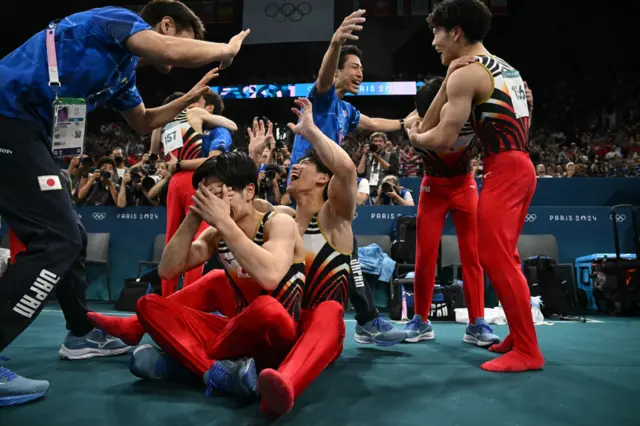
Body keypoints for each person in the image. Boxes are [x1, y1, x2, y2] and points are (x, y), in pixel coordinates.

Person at [0, 0, 249, 405]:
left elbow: (143, 120)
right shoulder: (114, 21)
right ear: (165, 24)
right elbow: (168, 51)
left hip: (29, 135)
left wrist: (187, 98)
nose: (186, 52)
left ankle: (81, 333)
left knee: (73, 237)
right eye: (189, 39)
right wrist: (227, 49)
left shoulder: (123, 73)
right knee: (58, 239)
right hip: (8, 121)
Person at [90, 152, 305, 400]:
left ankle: (181, 366)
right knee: (148, 305)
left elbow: (270, 276)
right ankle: (217, 372)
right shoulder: (215, 234)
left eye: (220, 192)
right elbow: (168, 270)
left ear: (248, 191)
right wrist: (194, 216)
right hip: (234, 334)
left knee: (265, 308)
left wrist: (224, 223)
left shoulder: (278, 223)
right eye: (206, 195)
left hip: (279, 336)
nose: (213, 202)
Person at [407, 0, 544, 372]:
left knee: (495, 258)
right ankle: (518, 334)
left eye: (436, 32)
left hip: (504, 171)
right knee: (507, 257)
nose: (434, 41)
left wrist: (414, 137)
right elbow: (524, 111)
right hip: (520, 166)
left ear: (455, 32)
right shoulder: (508, 69)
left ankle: (529, 352)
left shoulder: (467, 74)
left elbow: (443, 138)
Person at [289, 9, 416, 345]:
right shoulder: (323, 99)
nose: (361, 73)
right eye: (355, 67)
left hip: (327, 188)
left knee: (342, 249)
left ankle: (360, 320)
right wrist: (335, 43)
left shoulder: (348, 110)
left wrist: (405, 124)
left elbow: (373, 123)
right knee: (312, 252)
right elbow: (323, 75)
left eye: (361, 68)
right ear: (340, 72)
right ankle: (355, 320)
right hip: (308, 186)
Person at [250, 98, 362, 418]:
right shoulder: (280, 217)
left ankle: (285, 384)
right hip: (286, 329)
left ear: (323, 179)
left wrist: (312, 132)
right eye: (293, 163)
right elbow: (237, 210)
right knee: (262, 305)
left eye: (305, 164)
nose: (293, 166)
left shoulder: (334, 218)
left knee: (328, 311)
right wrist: (252, 158)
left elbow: (346, 169)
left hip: (323, 334)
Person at [403, 76, 499, 347]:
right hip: (432, 188)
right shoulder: (415, 121)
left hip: (464, 186)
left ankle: (476, 323)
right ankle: (420, 320)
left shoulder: (470, 113)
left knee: (472, 256)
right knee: (424, 256)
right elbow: (417, 136)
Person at [150, 91, 237, 296]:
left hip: (174, 180)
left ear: (209, 107)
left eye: (197, 101)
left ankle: (167, 297)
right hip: (194, 179)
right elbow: (232, 125)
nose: (192, 104)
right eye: (191, 102)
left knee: (173, 237)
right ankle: (186, 298)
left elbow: (155, 151)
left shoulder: (165, 123)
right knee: (198, 239)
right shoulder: (195, 114)